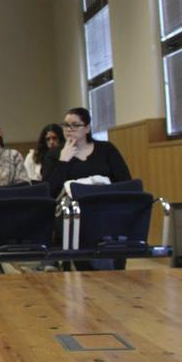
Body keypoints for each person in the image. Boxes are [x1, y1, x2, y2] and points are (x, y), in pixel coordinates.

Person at [47, 107, 132, 271]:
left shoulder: (106, 149)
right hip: (71, 212)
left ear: (87, 128)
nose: (69, 130)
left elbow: (124, 181)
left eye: (74, 125)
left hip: (105, 207)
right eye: (65, 125)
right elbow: (50, 190)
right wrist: (63, 161)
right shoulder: (54, 154)